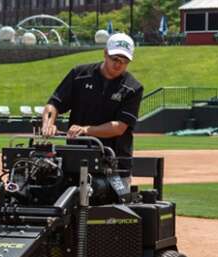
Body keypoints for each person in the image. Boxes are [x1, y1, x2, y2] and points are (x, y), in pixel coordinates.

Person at [41, 32, 144, 180]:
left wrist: (85, 130)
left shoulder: (133, 88)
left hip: (114, 164)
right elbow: (54, 103)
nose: (118, 64)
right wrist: (48, 124)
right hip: (75, 159)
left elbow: (119, 127)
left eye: (124, 61)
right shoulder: (79, 74)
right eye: (114, 58)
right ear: (105, 53)